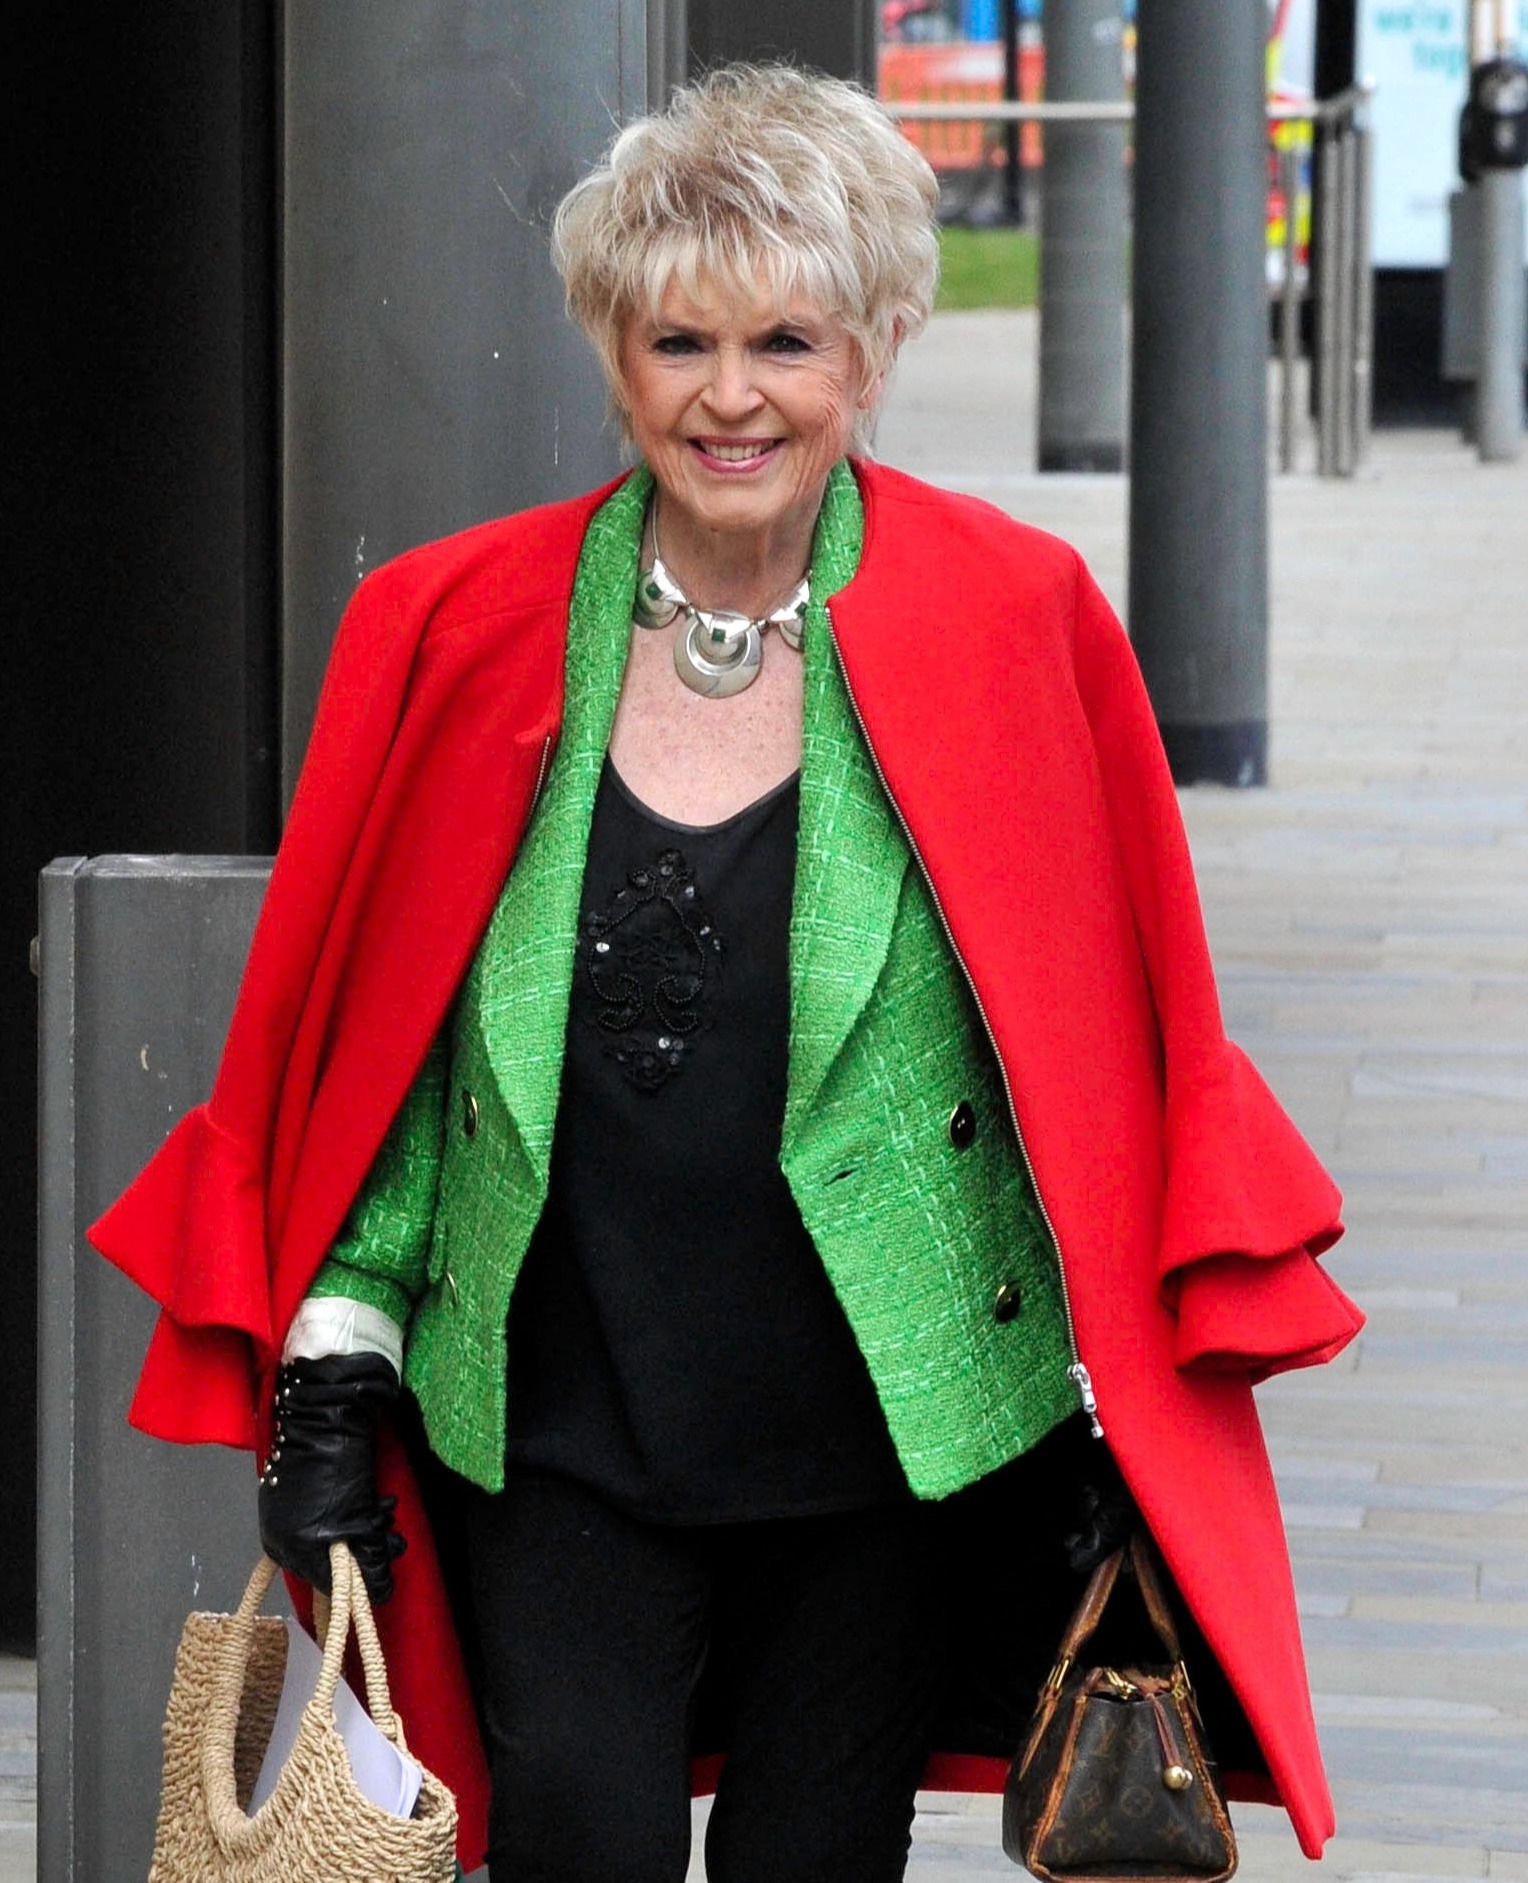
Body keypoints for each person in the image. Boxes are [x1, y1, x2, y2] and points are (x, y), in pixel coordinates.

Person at [92, 62, 1363, 1883]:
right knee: (580, 1836)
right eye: (679, 341)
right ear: (615, 351)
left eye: (787, 339)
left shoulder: (1013, 616)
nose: (733, 397)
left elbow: (1104, 1028)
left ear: (874, 347)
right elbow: (379, 1035)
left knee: (811, 1860)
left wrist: (1110, 1413)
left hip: (882, 1433)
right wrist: (330, 1374)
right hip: (552, 1414)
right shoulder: (451, 625)